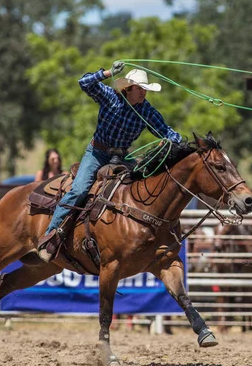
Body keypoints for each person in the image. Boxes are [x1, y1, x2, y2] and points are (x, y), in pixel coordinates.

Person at [37, 62, 182, 262]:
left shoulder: (146, 111)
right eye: (140, 89)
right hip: (97, 153)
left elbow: (165, 132)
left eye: (145, 90)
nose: (143, 94)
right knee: (79, 190)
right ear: (128, 89)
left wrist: (181, 143)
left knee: (145, 182)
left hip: (123, 156)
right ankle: (51, 234)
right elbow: (84, 82)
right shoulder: (111, 98)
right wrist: (107, 73)